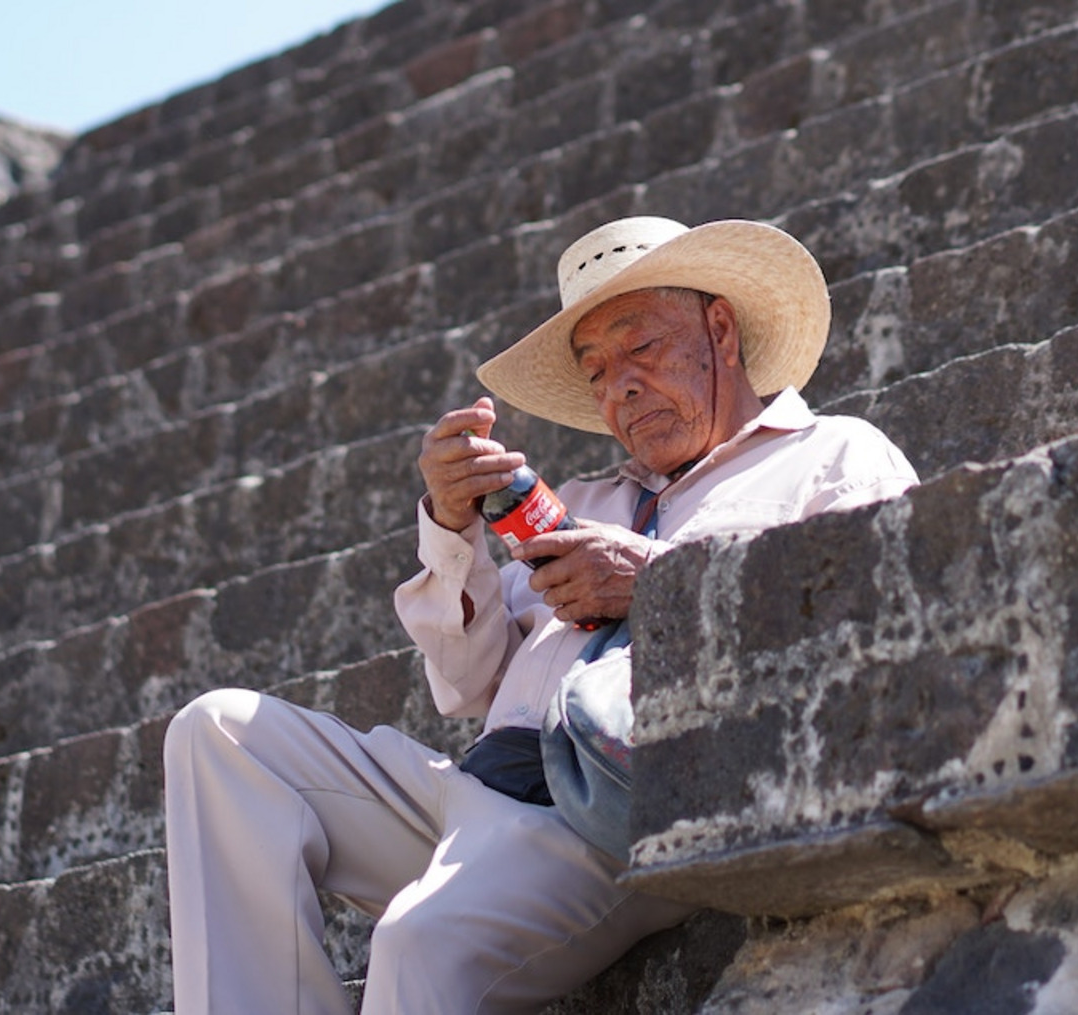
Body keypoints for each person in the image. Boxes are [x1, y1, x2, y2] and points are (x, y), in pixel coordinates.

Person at [162, 217, 920, 1014]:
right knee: (220, 732)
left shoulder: (834, 455)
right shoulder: (585, 502)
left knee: (419, 940)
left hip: (617, 806)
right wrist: (453, 532)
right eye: (595, 370)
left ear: (720, 328)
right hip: (478, 794)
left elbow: (874, 610)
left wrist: (659, 583)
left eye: (641, 349)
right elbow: (464, 685)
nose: (617, 386)